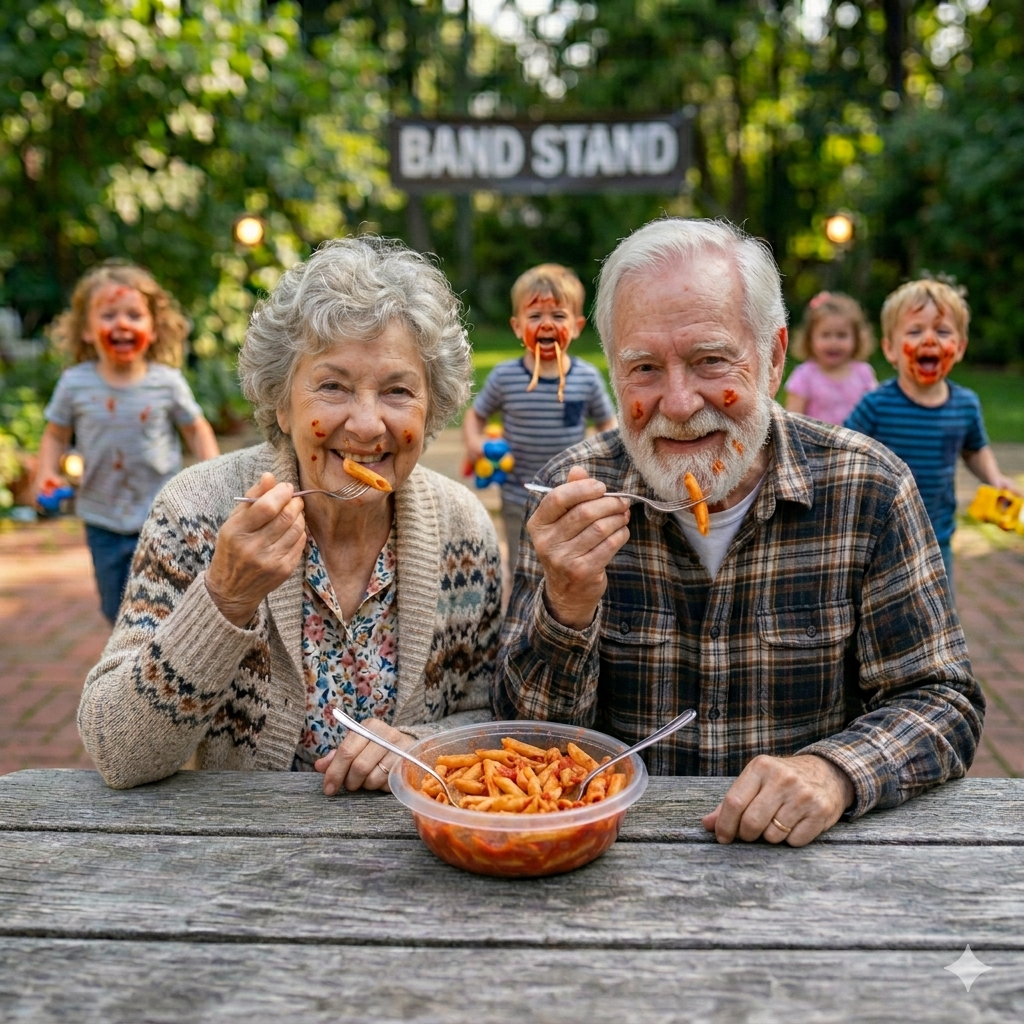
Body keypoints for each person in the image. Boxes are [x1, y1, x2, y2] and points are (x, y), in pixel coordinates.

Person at [493, 218, 984, 848]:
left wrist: (834, 772)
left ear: (774, 356)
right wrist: (566, 602)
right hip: (618, 859)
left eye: (710, 360)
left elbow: (943, 701)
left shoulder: (870, 489)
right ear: (612, 372)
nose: (678, 404)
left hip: (804, 863)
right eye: (644, 367)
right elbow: (522, 742)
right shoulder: (571, 495)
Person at [78, 237, 502, 792]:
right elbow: (118, 752)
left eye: (398, 391)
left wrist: (420, 745)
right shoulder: (197, 511)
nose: (367, 424)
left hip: (413, 842)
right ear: (282, 402)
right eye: (333, 386)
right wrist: (224, 597)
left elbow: (488, 715)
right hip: (246, 840)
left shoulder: (463, 529)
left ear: (433, 406)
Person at [35, 263, 219, 624]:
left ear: (153, 328)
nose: (122, 323)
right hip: (102, 517)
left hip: (161, 515)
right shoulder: (75, 383)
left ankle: (158, 653)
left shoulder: (167, 382)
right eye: (108, 315)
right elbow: (56, 433)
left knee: (165, 602)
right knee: (114, 608)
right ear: (86, 330)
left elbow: (196, 428)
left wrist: (210, 471)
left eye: (134, 315)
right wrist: (45, 473)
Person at [845, 278, 1022, 594]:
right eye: (915, 331)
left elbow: (974, 449)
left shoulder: (965, 405)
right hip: (881, 537)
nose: (929, 339)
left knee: (938, 612)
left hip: (937, 537)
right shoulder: (876, 404)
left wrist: (994, 478)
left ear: (960, 347)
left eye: (942, 331)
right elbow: (846, 448)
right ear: (890, 349)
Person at [462, 264, 616, 573]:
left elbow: (607, 424)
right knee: (521, 566)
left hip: (567, 494)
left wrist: (602, 459)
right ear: (518, 327)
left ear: (576, 326)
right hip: (518, 493)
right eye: (535, 316)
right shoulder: (505, 377)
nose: (546, 324)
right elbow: (475, 415)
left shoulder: (586, 379)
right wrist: (475, 443)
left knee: (565, 563)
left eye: (558, 316)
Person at [784, 291, 877, 425]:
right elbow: (792, 420)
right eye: (825, 335)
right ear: (810, 338)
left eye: (841, 335)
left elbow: (874, 414)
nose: (833, 343)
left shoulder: (863, 373)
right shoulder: (804, 375)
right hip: (816, 438)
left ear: (856, 338)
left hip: (856, 438)